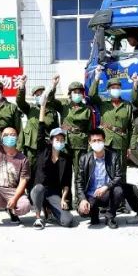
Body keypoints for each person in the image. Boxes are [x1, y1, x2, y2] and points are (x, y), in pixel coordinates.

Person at [45, 76, 94, 205]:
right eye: (74, 92)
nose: (77, 94)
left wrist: (90, 146)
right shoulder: (64, 106)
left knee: (79, 174)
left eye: (79, 92)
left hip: (81, 144)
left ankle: (79, 201)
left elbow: (90, 130)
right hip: (65, 143)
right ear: (70, 94)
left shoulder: (87, 109)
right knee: (64, 173)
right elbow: (50, 100)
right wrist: (54, 86)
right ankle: (65, 199)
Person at [76, 129, 137, 228]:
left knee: (118, 190)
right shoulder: (84, 159)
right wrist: (82, 199)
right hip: (92, 195)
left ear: (104, 141)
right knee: (83, 212)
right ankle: (94, 213)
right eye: (94, 140)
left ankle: (110, 217)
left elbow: (119, 176)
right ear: (89, 142)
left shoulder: (114, 156)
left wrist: (106, 187)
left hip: (107, 193)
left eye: (99, 140)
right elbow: (79, 181)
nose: (97, 143)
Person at [88, 67, 134, 183]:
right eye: (113, 88)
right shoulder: (103, 104)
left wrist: (130, 146)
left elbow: (132, 127)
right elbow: (92, 95)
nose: (115, 90)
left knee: (121, 171)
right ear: (108, 90)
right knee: (106, 169)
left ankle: (121, 193)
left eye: (118, 88)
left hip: (121, 142)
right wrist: (97, 77)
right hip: (106, 142)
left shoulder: (127, 105)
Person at [29, 114, 75, 229]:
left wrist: (63, 199)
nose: (59, 141)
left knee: (68, 221)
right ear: (51, 140)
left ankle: (49, 208)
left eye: (62, 140)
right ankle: (38, 217)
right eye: (57, 139)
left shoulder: (66, 158)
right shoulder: (43, 151)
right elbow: (40, 133)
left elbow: (66, 183)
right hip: (38, 189)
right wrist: (42, 108)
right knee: (39, 188)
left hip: (53, 193)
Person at [17, 75, 60, 173]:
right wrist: (22, 86)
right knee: (30, 170)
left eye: (41, 93)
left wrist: (53, 85)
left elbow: (56, 129)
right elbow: (20, 101)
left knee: (46, 170)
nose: (39, 96)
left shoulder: (52, 111)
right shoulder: (30, 108)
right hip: (32, 146)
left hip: (46, 146)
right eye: (37, 94)